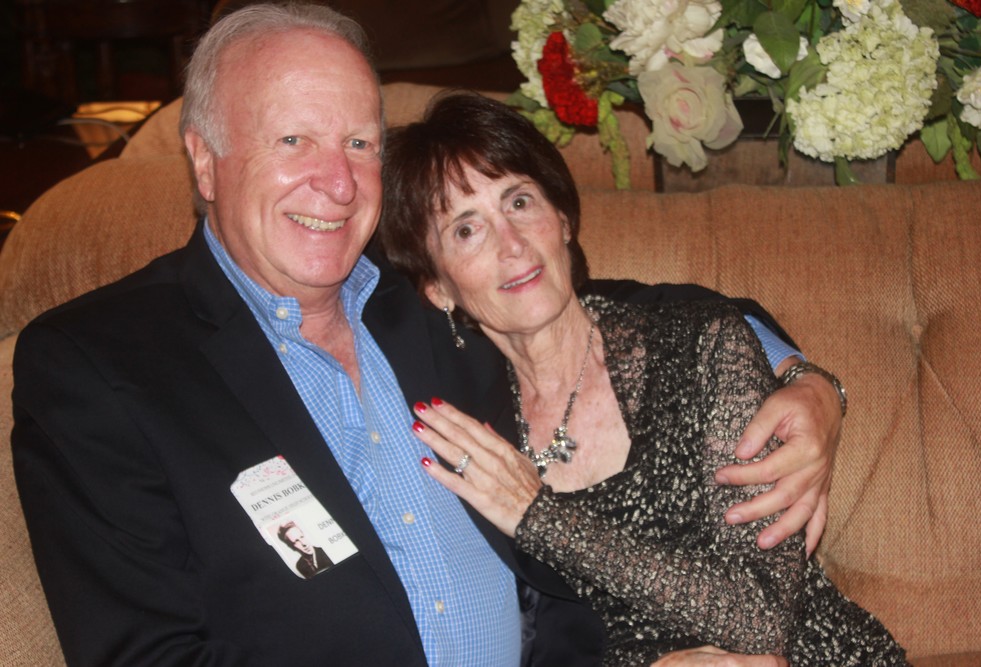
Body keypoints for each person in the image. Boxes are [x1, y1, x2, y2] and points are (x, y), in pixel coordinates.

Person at [11, 4, 839, 666]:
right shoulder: (99, 364)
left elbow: (573, 299)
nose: (337, 183)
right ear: (204, 160)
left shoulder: (417, 299)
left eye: (359, 143)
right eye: (293, 140)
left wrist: (806, 381)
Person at [377, 92, 907, 666]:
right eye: (466, 230)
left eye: (519, 202)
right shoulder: (472, 420)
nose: (512, 244)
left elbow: (761, 619)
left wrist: (538, 516)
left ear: (563, 220)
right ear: (438, 288)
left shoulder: (696, 345)